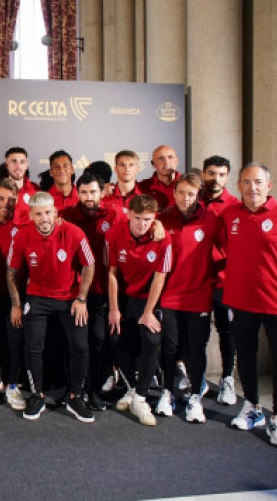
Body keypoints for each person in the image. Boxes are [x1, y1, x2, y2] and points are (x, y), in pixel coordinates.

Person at [220, 163, 277, 446]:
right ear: (238, 186)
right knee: (245, 355)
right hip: (240, 302)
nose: (252, 188)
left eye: (258, 182)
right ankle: (252, 408)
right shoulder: (229, 215)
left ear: (269, 186)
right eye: (246, 182)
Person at [7, 192, 96, 423]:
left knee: (81, 346)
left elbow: (90, 265)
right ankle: (37, 395)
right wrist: (16, 305)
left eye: (48, 212)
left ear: (55, 212)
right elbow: (12, 273)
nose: (44, 218)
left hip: (70, 298)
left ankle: (76, 396)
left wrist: (82, 298)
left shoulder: (73, 232)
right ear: (31, 216)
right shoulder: (22, 236)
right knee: (33, 347)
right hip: (37, 297)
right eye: (38, 214)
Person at [157, 172, 220, 423]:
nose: (185, 198)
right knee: (170, 347)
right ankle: (167, 393)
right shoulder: (162, 220)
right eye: (181, 192)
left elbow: (226, 253)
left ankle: (195, 397)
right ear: (174, 193)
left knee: (196, 348)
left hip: (199, 297)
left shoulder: (211, 221)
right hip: (170, 296)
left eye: (191, 193)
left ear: (199, 195)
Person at [107, 195, 172, 427]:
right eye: (137, 219)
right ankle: (132, 390)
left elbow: (160, 277)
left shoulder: (162, 239)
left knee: (152, 339)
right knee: (115, 339)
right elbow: (112, 273)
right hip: (124, 298)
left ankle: (141, 397)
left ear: (154, 218)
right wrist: (114, 309)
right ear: (128, 215)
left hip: (149, 301)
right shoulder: (115, 233)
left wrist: (149, 312)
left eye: (147, 219)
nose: (142, 224)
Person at [61, 172, 122, 411]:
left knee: (98, 340)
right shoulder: (66, 216)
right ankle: (75, 389)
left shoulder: (114, 216)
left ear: (103, 192)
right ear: (78, 192)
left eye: (93, 192)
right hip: (73, 293)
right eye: (84, 192)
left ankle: (93, 389)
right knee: (76, 344)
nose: (88, 197)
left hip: (101, 292)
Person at [0, 179, 29, 411]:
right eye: (0, 198)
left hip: (15, 295)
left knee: (14, 340)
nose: (5, 204)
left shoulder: (25, 223)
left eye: (11, 200)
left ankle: (12, 384)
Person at [201, 155, 239, 405]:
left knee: (227, 333)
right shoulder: (192, 200)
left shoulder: (235, 206)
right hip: (197, 281)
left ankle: (227, 379)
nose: (216, 179)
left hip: (225, 281)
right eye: (211, 173)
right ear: (204, 174)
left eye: (221, 174)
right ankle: (198, 377)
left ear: (227, 177)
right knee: (197, 333)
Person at [140, 144, 181, 211]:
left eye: (170, 157)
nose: (166, 162)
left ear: (177, 161)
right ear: (153, 164)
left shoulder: (188, 184)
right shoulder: (143, 187)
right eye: (161, 159)